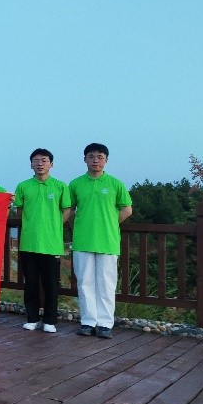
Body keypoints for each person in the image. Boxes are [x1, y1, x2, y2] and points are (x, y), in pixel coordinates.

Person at [70, 143, 133, 339]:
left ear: (106, 160)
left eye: (99, 157)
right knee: (84, 282)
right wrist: (77, 226)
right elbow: (69, 210)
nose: (95, 160)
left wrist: (110, 224)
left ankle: (105, 323)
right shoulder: (75, 184)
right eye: (91, 156)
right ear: (85, 159)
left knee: (106, 283)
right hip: (82, 240)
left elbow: (127, 209)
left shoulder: (115, 184)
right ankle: (88, 322)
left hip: (108, 241)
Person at [13, 148, 71, 333]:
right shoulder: (23, 186)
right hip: (29, 242)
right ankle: (31, 318)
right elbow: (20, 212)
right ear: (31, 164)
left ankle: (50, 320)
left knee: (51, 284)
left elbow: (66, 211)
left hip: (51, 243)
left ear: (51, 164)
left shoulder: (61, 186)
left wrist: (53, 226)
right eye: (36, 160)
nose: (40, 164)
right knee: (30, 282)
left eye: (44, 160)